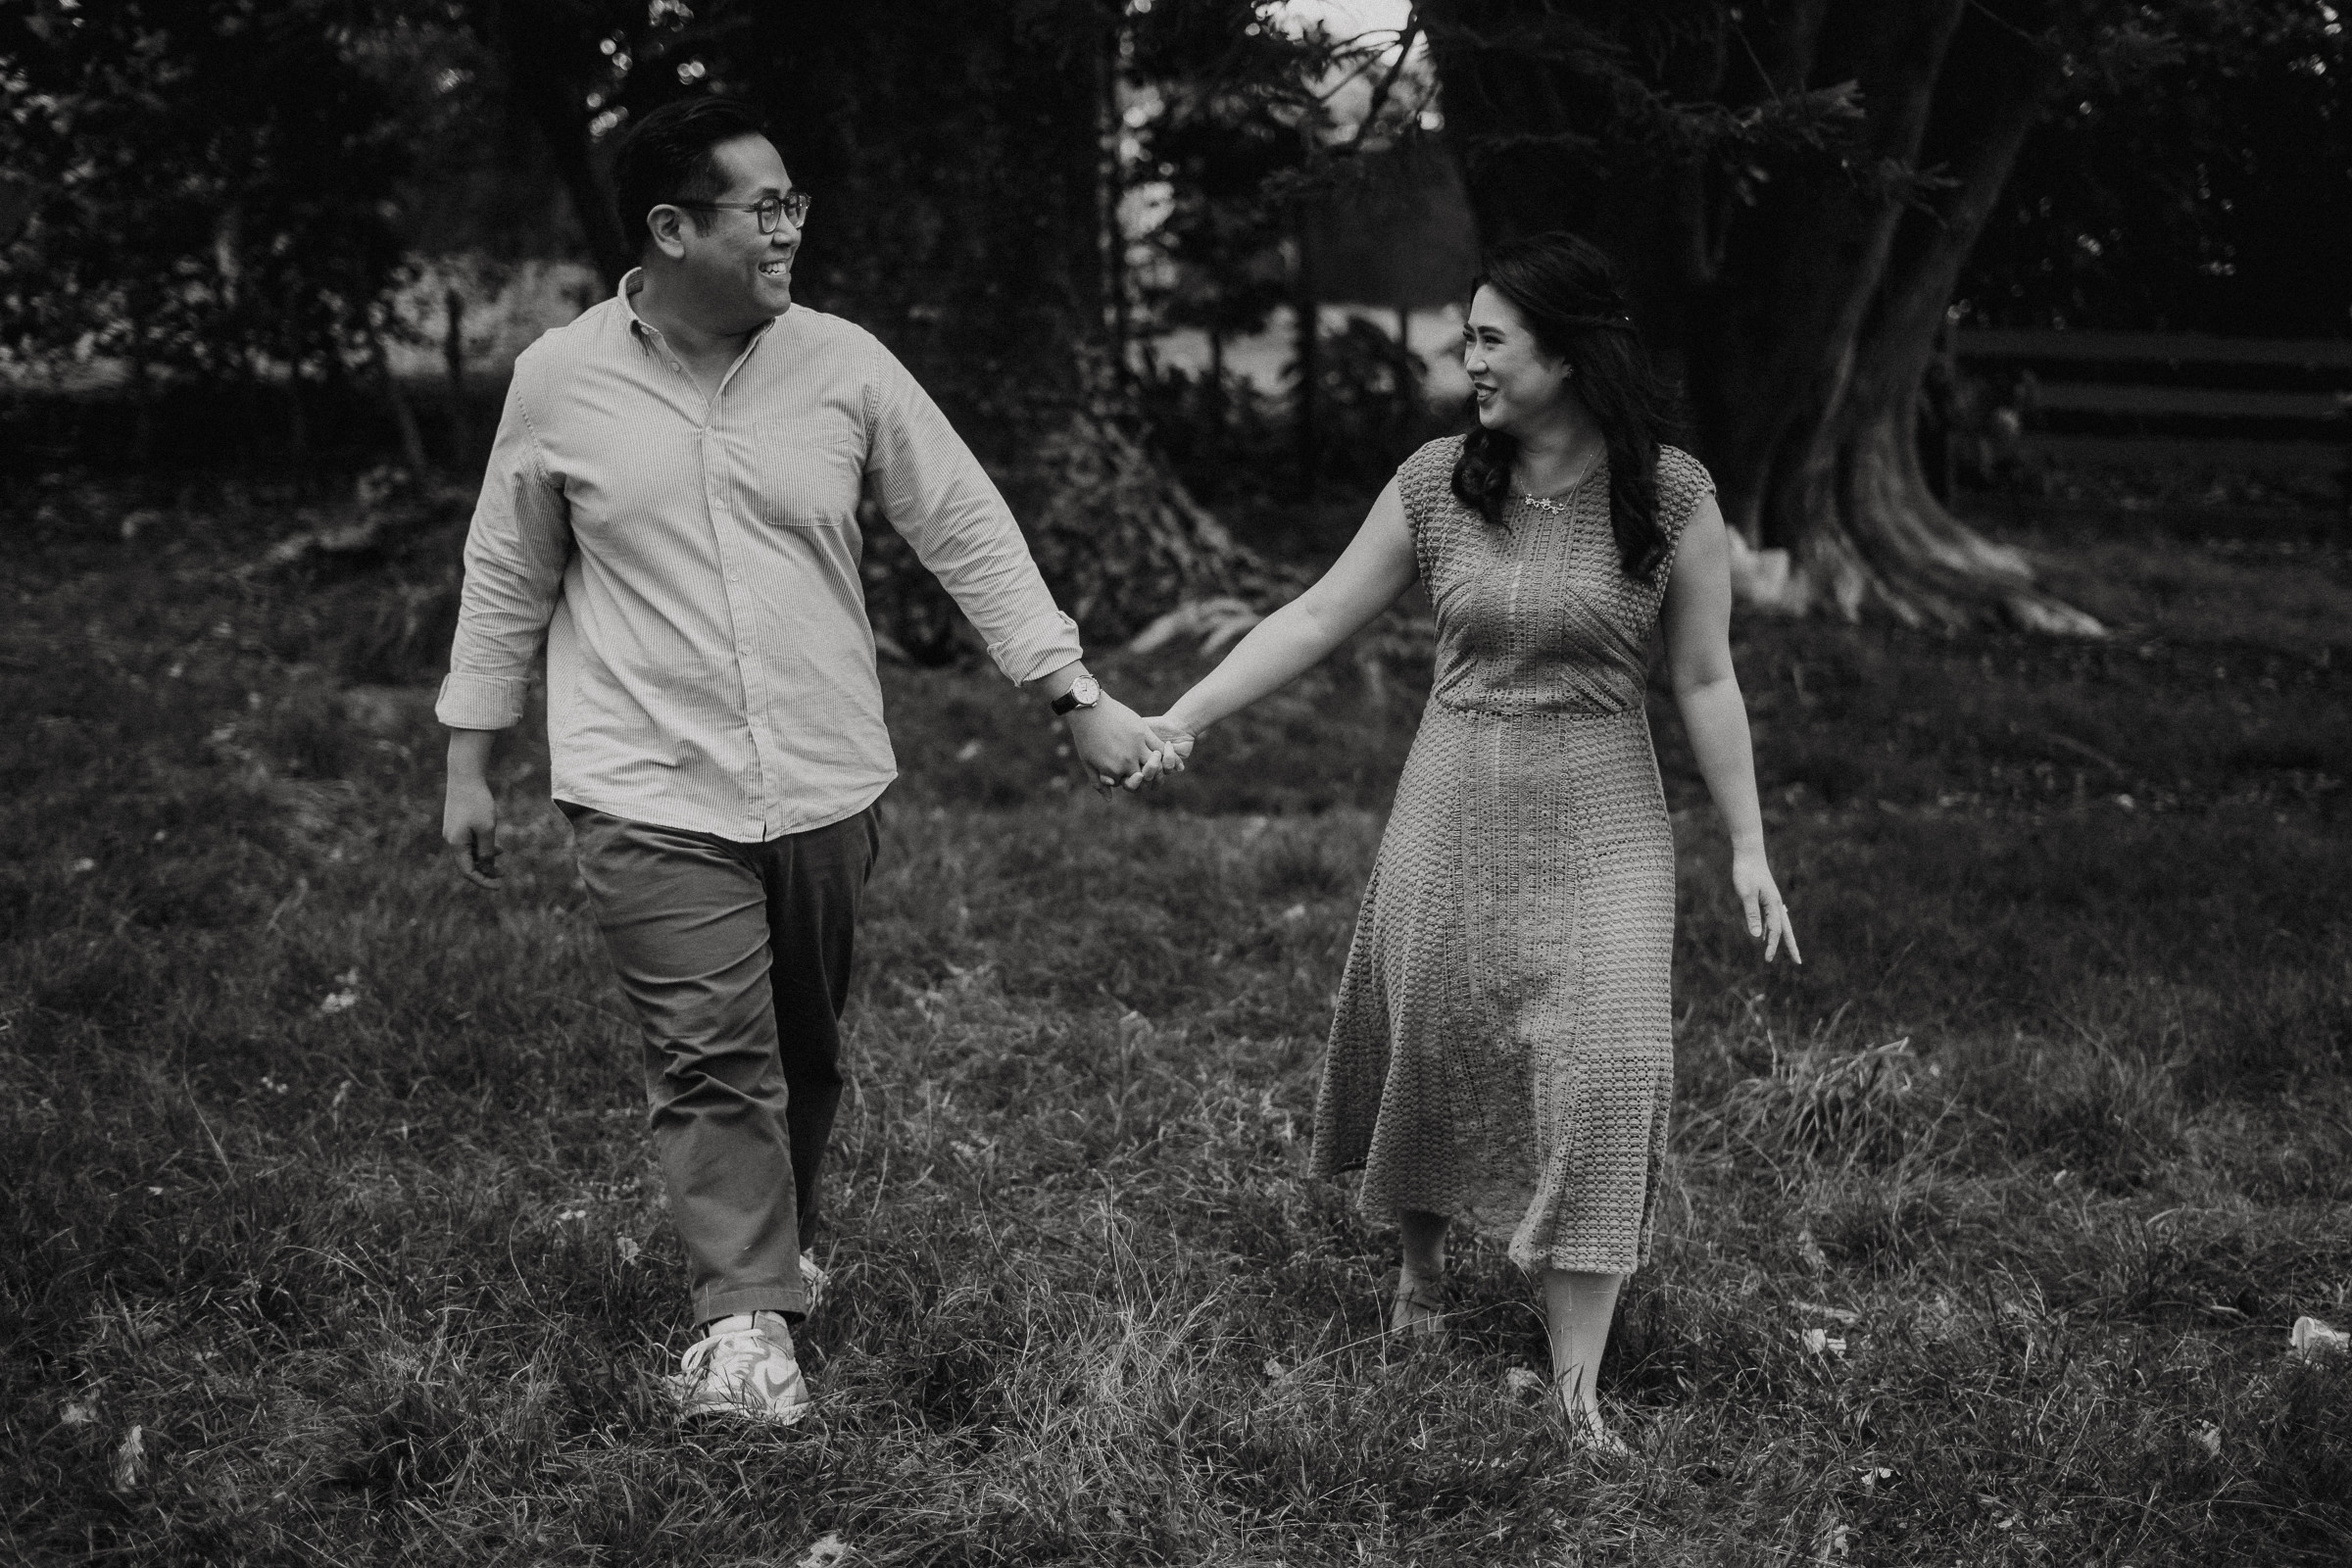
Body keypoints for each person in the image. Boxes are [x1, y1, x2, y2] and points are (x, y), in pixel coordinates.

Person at [436, 96, 1166, 1428]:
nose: (788, 230)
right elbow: (507, 570)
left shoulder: (844, 364)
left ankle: (772, 1256)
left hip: (824, 775)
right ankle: (746, 1327)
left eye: (793, 206)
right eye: (762, 207)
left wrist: (1072, 691)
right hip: (645, 781)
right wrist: (467, 760)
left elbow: (965, 527)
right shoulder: (559, 380)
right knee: (711, 1053)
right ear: (672, 229)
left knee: (801, 1046)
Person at [1145, 232, 1799, 1451]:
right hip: (1452, 800)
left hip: (1603, 810)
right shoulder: (1440, 481)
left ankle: (1576, 1388)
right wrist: (1183, 717)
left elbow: (1707, 678)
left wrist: (1747, 843)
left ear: (1570, 353)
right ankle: (1420, 1268)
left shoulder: (1671, 495)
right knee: (1437, 1033)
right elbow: (1316, 613)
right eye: (1470, 337)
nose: (1471, 361)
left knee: (1608, 1064)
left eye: (1493, 339)